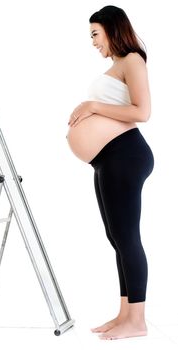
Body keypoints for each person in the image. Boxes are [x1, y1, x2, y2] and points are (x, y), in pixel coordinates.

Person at [66, 5, 154, 340]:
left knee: (128, 237)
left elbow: (143, 111)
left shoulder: (132, 59)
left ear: (113, 29)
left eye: (95, 34)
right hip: (107, 159)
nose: (92, 42)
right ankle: (124, 313)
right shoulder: (116, 65)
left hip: (126, 154)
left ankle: (138, 320)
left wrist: (92, 106)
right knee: (116, 237)